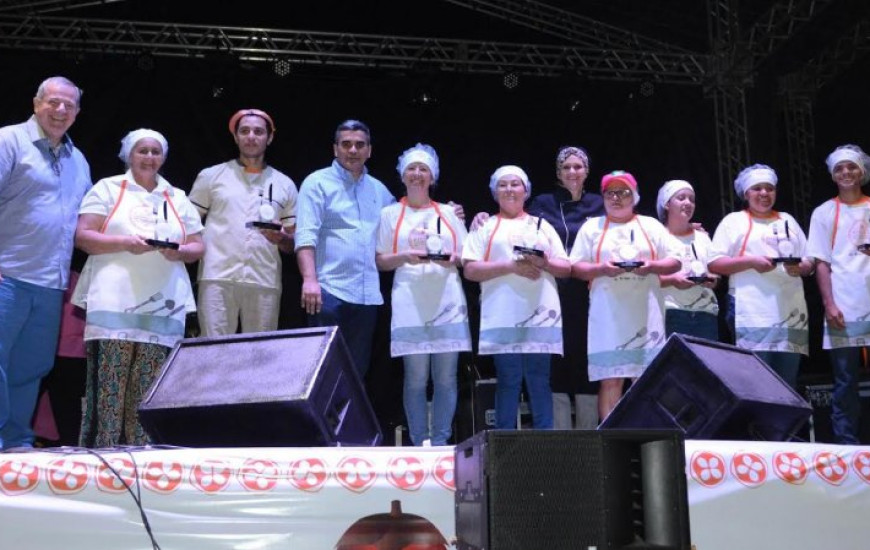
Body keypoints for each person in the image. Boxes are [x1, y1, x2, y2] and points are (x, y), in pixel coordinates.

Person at [72, 129, 204, 447]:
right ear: (129, 155)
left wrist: (179, 252)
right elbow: (83, 236)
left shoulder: (177, 196)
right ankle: (100, 456)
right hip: (114, 301)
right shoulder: (108, 188)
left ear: (163, 157)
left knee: (148, 387)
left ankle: (142, 457)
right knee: (109, 385)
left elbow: (198, 245)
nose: (148, 157)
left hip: (163, 303)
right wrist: (124, 243)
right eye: (142, 151)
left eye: (155, 152)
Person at [0, 76, 92, 450]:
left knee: (31, 368)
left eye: (69, 105)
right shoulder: (8, 140)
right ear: (36, 103)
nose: (60, 110)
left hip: (52, 284)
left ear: (77, 113)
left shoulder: (79, 159)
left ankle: (16, 444)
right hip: (7, 275)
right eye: (53, 102)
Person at [375, 143, 471, 446]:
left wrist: (449, 257)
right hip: (410, 300)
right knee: (416, 379)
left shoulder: (449, 212)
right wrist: (405, 255)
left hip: (447, 299)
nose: (417, 174)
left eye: (423, 169)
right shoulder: (390, 214)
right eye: (411, 169)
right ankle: (419, 442)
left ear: (432, 177)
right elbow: (380, 260)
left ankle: (441, 441)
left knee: (445, 378)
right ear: (403, 176)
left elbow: (466, 257)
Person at [462, 165, 571, 430]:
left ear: (526, 190)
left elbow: (566, 268)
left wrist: (543, 263)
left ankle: (545, 445)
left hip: (539, 314)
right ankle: (504, 450)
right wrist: (511, 266)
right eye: (503, 184)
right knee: (508, 380)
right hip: (503, 315)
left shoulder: (542, 226)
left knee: (538, 380)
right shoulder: (485, 226)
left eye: (515, 184)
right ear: (494, 191)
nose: (509, 189)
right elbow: (470, 269)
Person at [570, 171, 681, 420]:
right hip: (607, 316)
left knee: (647, 380)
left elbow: (675, 261)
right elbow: (575, 267)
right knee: (610, 380)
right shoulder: (591, 227)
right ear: (603, 197)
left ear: (635, 196)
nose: (616, 198)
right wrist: (601, 269)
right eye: (610, 193)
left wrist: (651, 266)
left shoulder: (651, 226)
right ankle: (612, 441)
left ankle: (647, 440)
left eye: (623, 192)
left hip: (646, 315)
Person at [295, 120, 397, 378]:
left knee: (355, 374)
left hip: (367, 297)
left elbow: (405, 220)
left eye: (360, 145)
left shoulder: (379, 190)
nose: (353, 150)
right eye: (346, 144)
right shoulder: (316, 183)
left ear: (369, 150)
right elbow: (305, 234)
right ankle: (319, 421)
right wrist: (309, 280)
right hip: (328, 292)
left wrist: (447, 211)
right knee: (323, 372)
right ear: (335, 149)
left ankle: (347, 421)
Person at [188, 108, 298, 336]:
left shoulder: (284, 183)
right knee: (213, 350)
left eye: (258, 132)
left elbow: (293, 242)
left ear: (270, 138)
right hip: (217, 276)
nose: (251, 136)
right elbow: (188, 226)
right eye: (245, 131)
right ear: (235, 136)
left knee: (258, 355)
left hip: (264, 280)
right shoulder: (211, 176)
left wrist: (282, 238)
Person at [707, 164, 814, 390]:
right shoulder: (733, 221)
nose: (764, 194)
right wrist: (751, 262)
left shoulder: (788, 220)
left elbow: (809, 259)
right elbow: (715, 263)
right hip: (751, 309)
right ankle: (756, 427)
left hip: (789, 308)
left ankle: (784, 426)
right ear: (746, 194)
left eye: (769, 189)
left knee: (787, 383)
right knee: (757, 382)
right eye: (757, 189)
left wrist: (802, 267)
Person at [525, 146, 603, 430]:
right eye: (566, 167)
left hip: (589, 293)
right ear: (558, 173)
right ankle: (559, 440)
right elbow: (521, 229)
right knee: (555, 361)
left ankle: (587, 439)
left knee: (585, 361)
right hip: (552, 292)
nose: (572, 172)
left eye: (578, 167)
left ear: (586, 171)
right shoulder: (542, 203)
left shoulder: (599, 204)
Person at [806, 144, 870, 444]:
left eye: (851, 167)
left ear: (862, 172)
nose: (846, 172)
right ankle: (848, 444)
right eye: (839, 169)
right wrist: (829, 304)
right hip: (843, 304)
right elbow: (821, 262)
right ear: (833, 175)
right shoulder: (824, 212)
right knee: (846, 380)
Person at [656, 179, 721, 340]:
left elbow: (715, 273)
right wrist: (672, 280)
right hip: (671, 313)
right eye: (681, 198)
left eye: (691, 199)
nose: (688, 203)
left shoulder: (703, 237)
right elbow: (644, 278)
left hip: (705, 315)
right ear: (666, 204)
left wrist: (713, 280)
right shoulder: (655, 236)